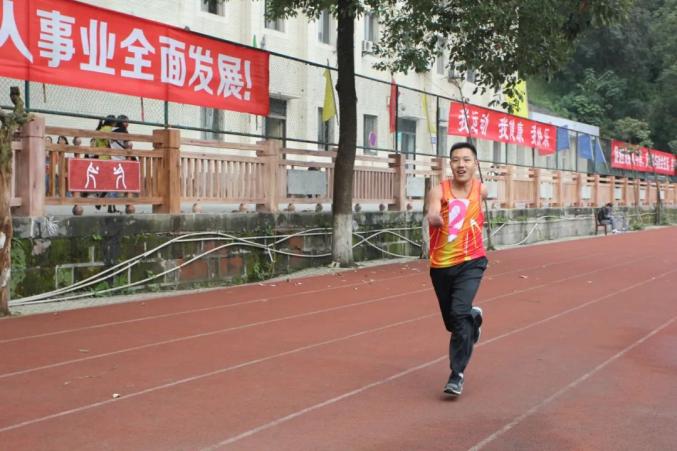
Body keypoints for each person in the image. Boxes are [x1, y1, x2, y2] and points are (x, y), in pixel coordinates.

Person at [427, 141, 488, 397]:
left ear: (475, 164)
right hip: (441, 265)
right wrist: (434, 217)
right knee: (454, 323)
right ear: (450, 164)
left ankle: (456, 374)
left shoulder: (481, 189)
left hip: (472, 261)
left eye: (466, 160)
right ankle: (473, 318)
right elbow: (432, 210)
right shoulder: (438, 190)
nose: (461, 165)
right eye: (455, 160)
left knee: (458, 312)